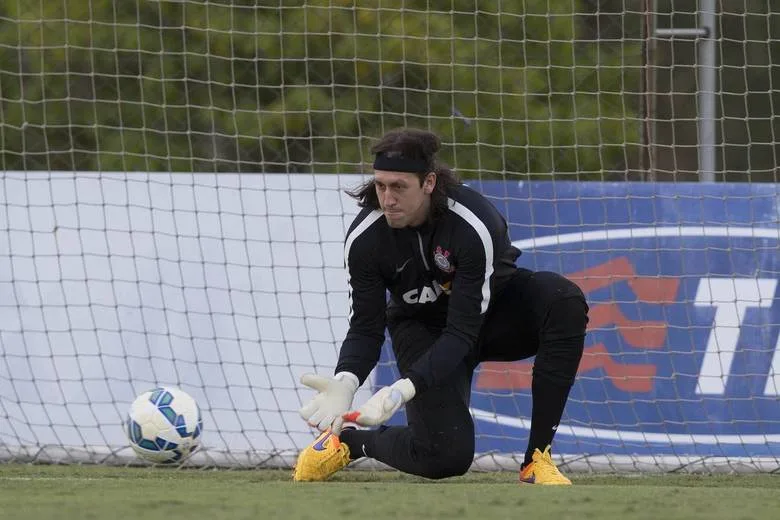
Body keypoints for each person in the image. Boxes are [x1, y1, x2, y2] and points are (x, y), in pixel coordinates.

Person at [293, 128, 588, 485]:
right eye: (381, 185)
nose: (387, 199)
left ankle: (536, 461)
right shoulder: (364, 240)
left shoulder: (473, 224)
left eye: (399, 187)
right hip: (423, 328)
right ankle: (350, 443)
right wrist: (346, 379)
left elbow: (463, 330)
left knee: (564, 300)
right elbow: (366, 328)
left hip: (492, 315)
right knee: (445, 456)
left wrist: (402, 389)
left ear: (429, 182)